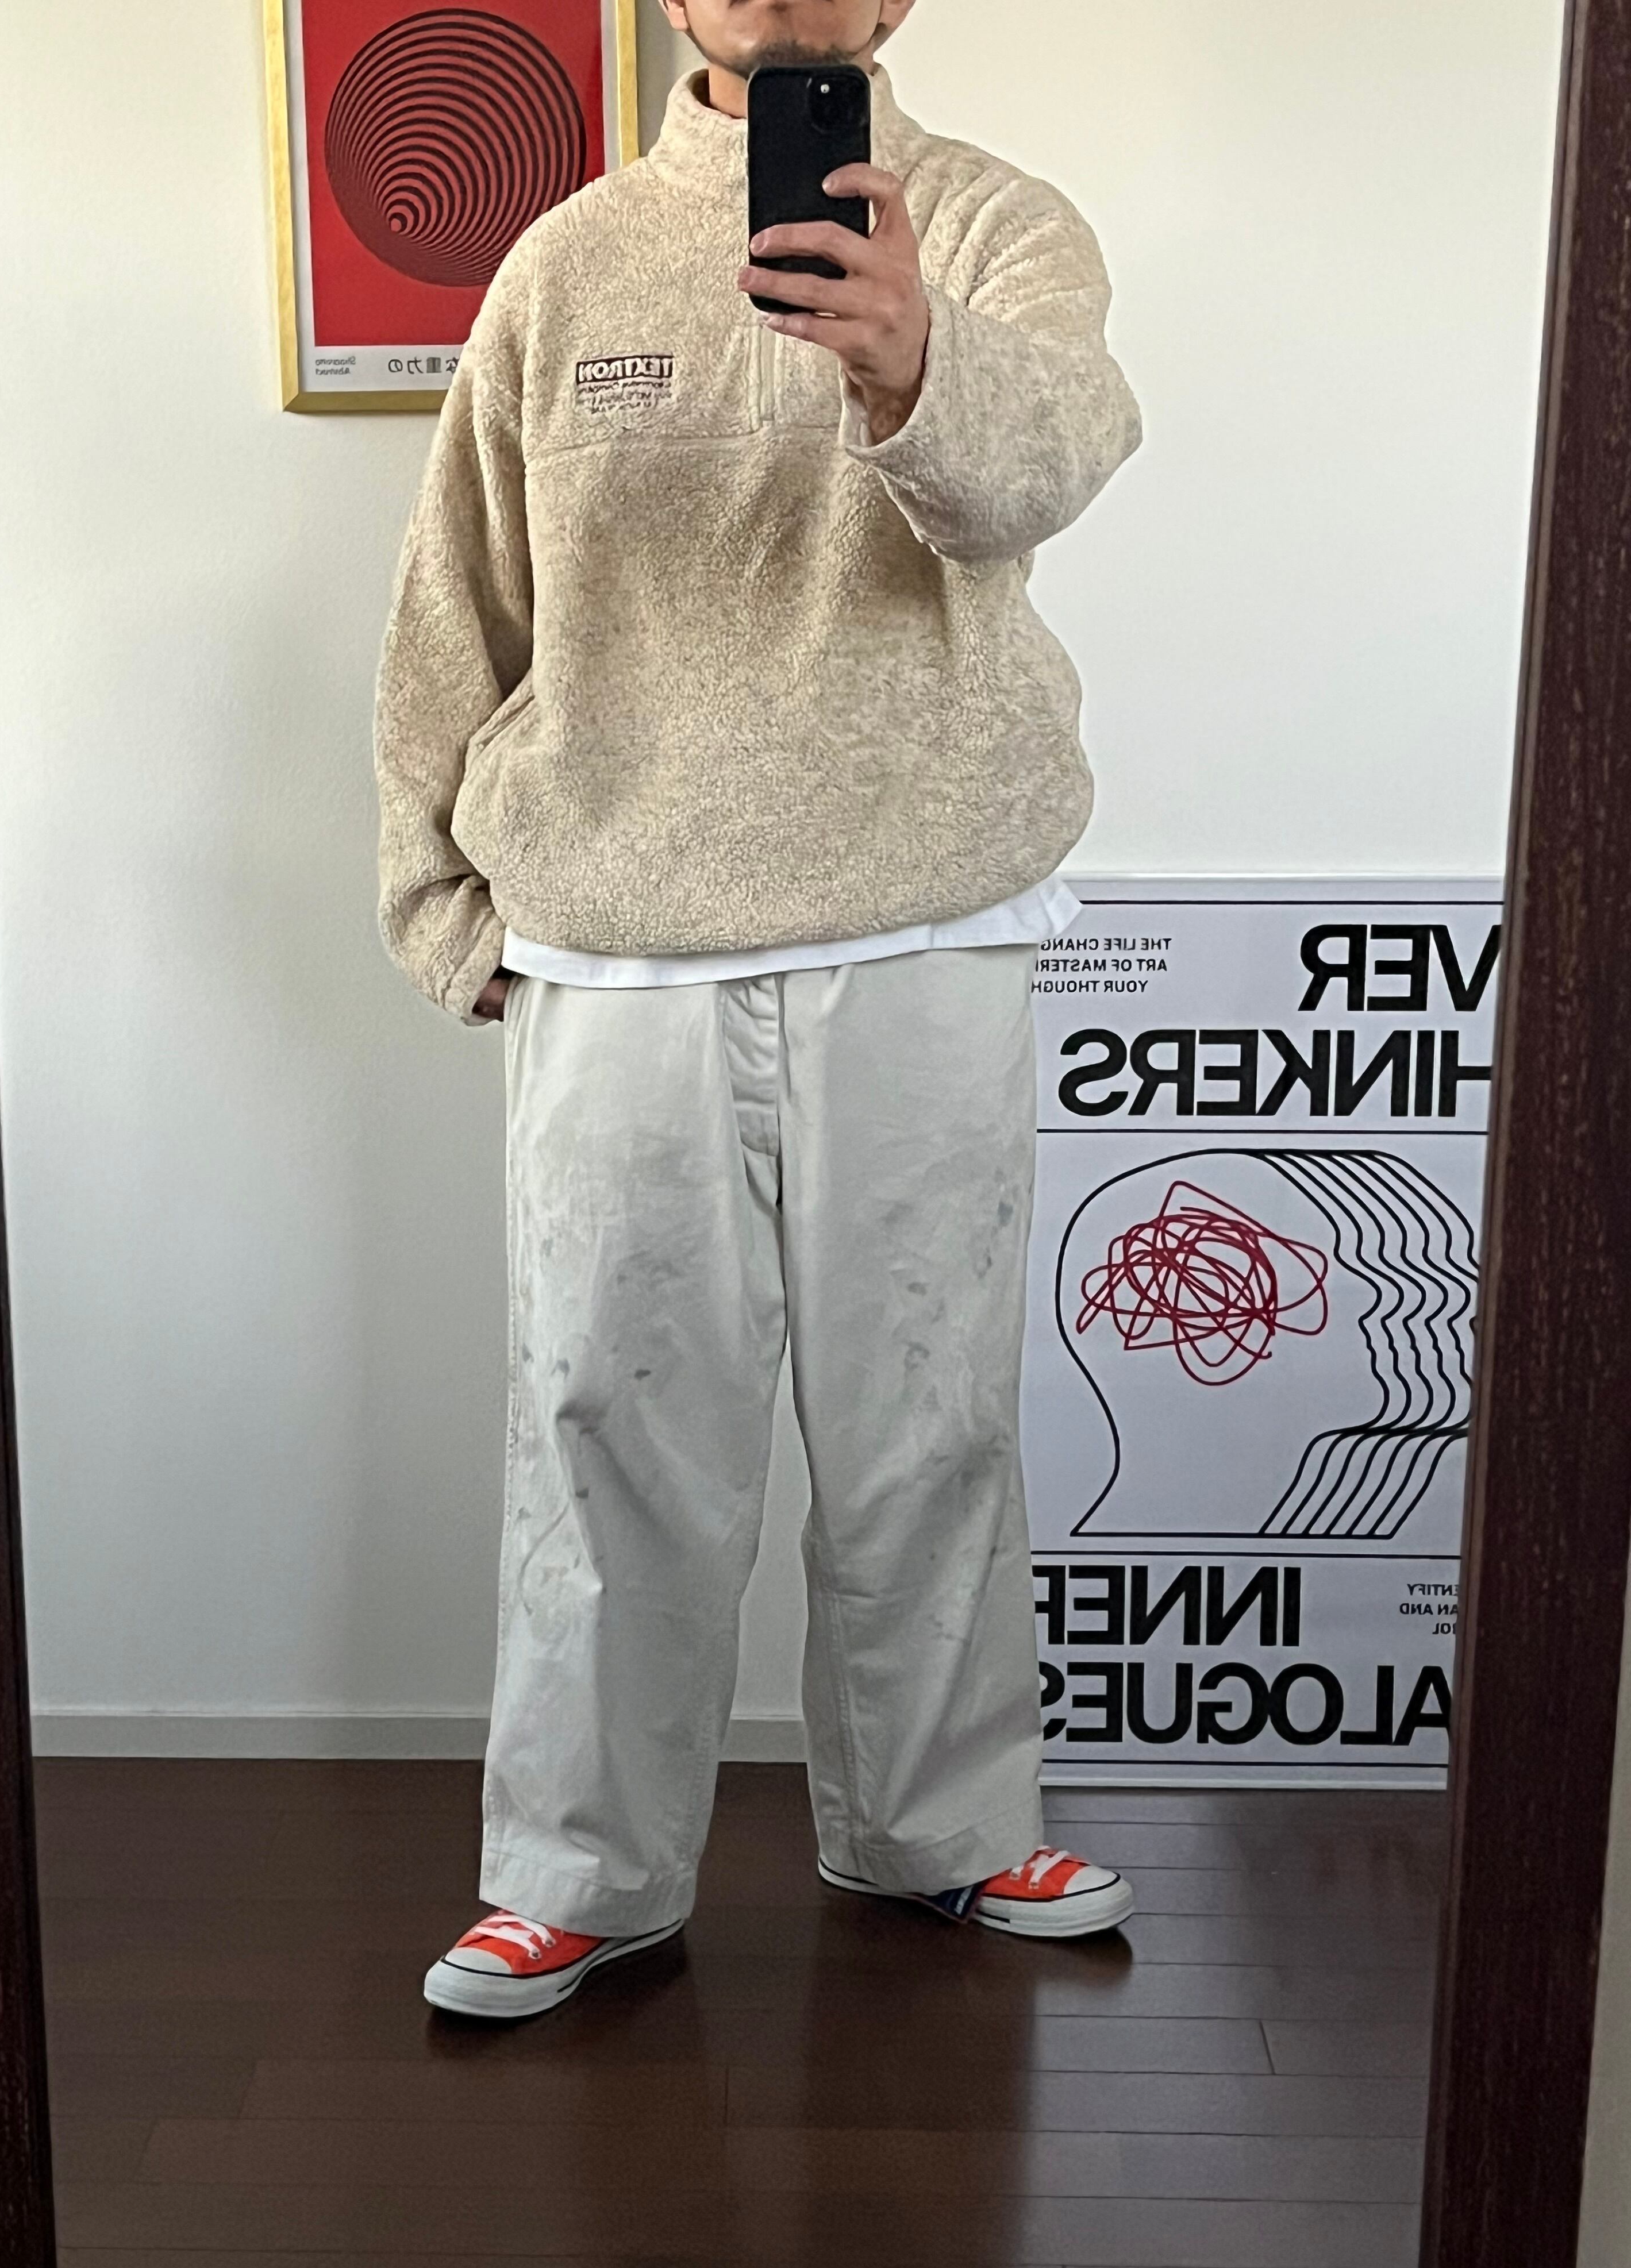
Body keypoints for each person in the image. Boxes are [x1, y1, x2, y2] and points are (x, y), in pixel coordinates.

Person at [375, 0, 1143, 2021]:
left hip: (925, 914)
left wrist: (913, 361)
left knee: (928, 1414)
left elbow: (1053, 465)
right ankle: (579, 1870)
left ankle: (943, 1825)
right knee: (605, 1422)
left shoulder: (990, 225)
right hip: (617, 936)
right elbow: (458, 594)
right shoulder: (564, 263)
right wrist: (442, 900)